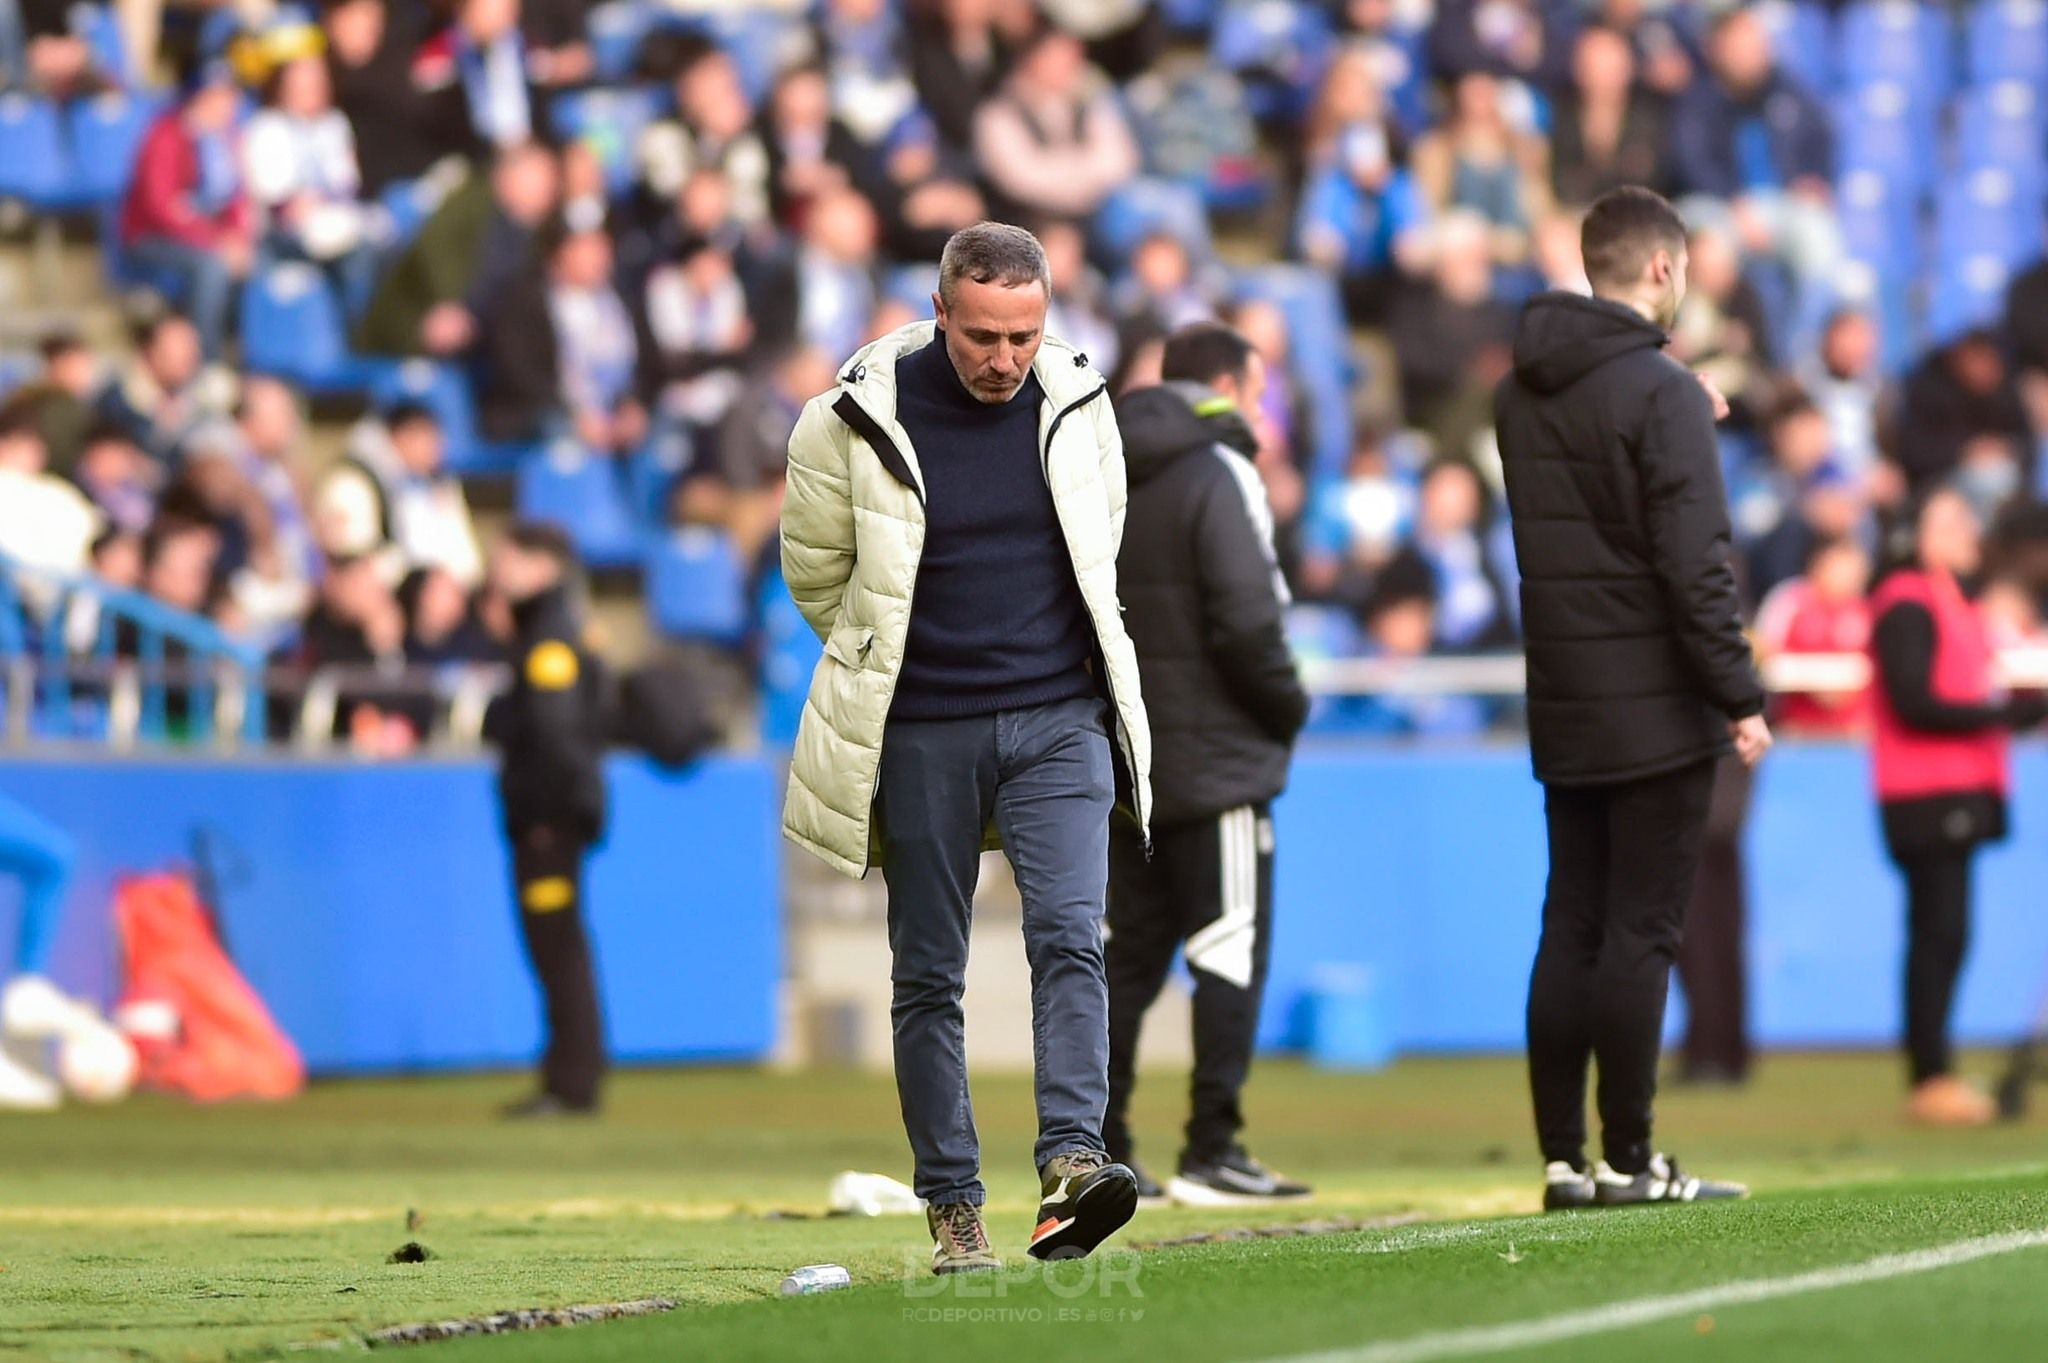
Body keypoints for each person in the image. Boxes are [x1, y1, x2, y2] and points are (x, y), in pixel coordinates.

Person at [779, 222, 1152, 1273]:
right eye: (983, 335)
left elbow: (1102, 537)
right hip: (920, 728)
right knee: (926, 974)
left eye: (1022, 337)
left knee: (1072, 935)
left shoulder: (1079, 403)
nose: (1003, 359)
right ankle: (953, 1206)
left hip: (1059, 720)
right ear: (938, 313)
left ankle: (1073, 1161)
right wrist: (889, 656)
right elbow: (815, 574)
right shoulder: (845, 419)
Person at [1494, 186, 1770, 1209]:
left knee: (1568, 921)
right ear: (1661, 269)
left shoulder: (1520, 389)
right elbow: (1692, 565)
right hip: (1656, 700)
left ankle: (1566, 1159)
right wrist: (1737, 694)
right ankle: (1631, 1156)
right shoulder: (1658, 392)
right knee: (1640, 931)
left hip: (1563, 692)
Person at [1103, 322, 1310, 1205]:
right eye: (1257, 390)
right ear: (1226, 384)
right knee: (1226, 951)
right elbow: (1248, 621)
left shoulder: (1104, 470)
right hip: (1221, 760)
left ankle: (1094, 1146)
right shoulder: (1219, 471)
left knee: (1123, 961)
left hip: (1128, 762)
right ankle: (1212, 1147)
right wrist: (1287, 709)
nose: (1260, 409)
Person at [1868, 488, 2046, 1126]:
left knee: (1946, 931)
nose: (1968, 528)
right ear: (1919, 535)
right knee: (1937, 932)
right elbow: (1915, 699)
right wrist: (2007, 712)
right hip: (1926, 790)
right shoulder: (1908, 603)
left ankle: (1934, 1069)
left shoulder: (1951, 600)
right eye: (1952, 519)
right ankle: (1929, 1075)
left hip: (1954, 786)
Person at [486, 521, 611, 1118]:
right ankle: (567, 1078)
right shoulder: (545, 631)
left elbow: (555, 734)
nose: (499, 572)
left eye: (511, 560)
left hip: (548, 822)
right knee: (559, 943)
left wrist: (546, 811)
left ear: (544, 566)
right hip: (554, 815)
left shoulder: (550, 642)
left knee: (557, 944)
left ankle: (571, 1083)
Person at [120, 61, 256, 360]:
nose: (226, 105)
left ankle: (255, 360)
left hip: (211, 237)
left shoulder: (229, 139)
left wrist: (239, 237)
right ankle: (208, 360)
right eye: (218, 96)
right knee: (212, 266)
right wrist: (216, 240)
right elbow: (161, 208)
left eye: (230, 97)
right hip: (151, 238)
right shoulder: (165, 135)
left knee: (262, 261)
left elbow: (238, 199)